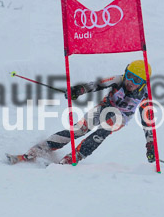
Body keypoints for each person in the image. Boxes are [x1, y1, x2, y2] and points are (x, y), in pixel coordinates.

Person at [17, 60, 156, 165]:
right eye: (129, 76)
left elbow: (147, 122)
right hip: (104, 107)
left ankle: (73, 157)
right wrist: (79, 90)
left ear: (144, 83)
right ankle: (41, 148)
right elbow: (96, 85)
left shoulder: (145, 95)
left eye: (136, 80)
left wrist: (150, 145)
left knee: (103, 131)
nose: (130, 82)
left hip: (121, 117)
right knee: (79, 129)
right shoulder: (118, 79)